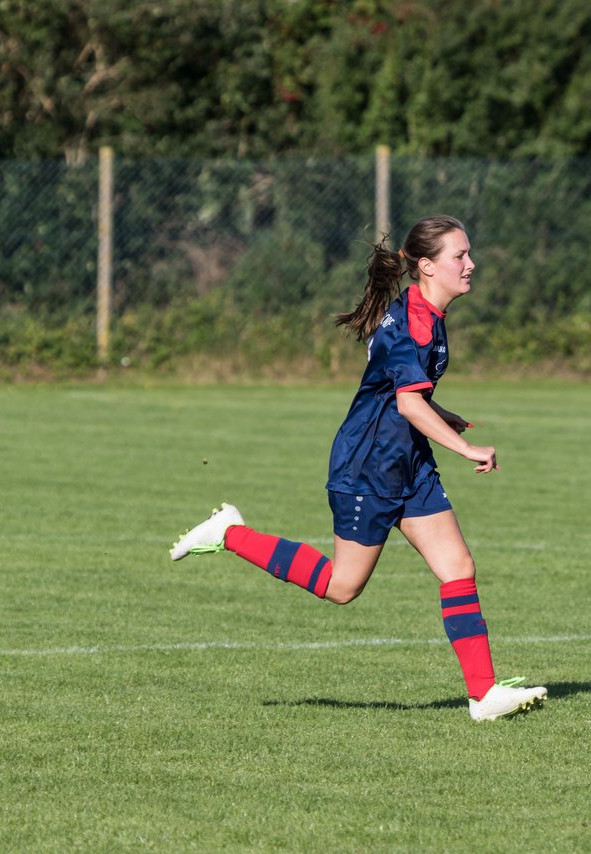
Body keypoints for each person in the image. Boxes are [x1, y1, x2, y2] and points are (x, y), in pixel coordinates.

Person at [169, 215, 546, 722]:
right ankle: (231, 532)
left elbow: (405, 396)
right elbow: (408, 405)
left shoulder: (426, 314)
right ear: (428, 267)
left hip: (407, 463)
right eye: (461, 256)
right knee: (342, 587)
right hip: (367, 468)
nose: (471, 264)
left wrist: (441, 413)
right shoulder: (413, 322)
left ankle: (483, 695)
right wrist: (466, 448)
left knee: (458, 568)